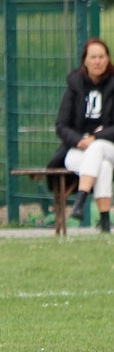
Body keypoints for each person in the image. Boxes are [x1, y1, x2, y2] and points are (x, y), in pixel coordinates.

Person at [52, 38, 114, 232]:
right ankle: (105, 222)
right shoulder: (75, 85)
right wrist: (79, 141)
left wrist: (95, 138)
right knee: (103, 166)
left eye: (101, 57)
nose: (98, 61)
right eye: (93, 57)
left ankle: (80, 200)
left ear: (108, 59)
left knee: (98, 147)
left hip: (109, 145)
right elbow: (61, 125)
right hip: (79, 149)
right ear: (85, 61)